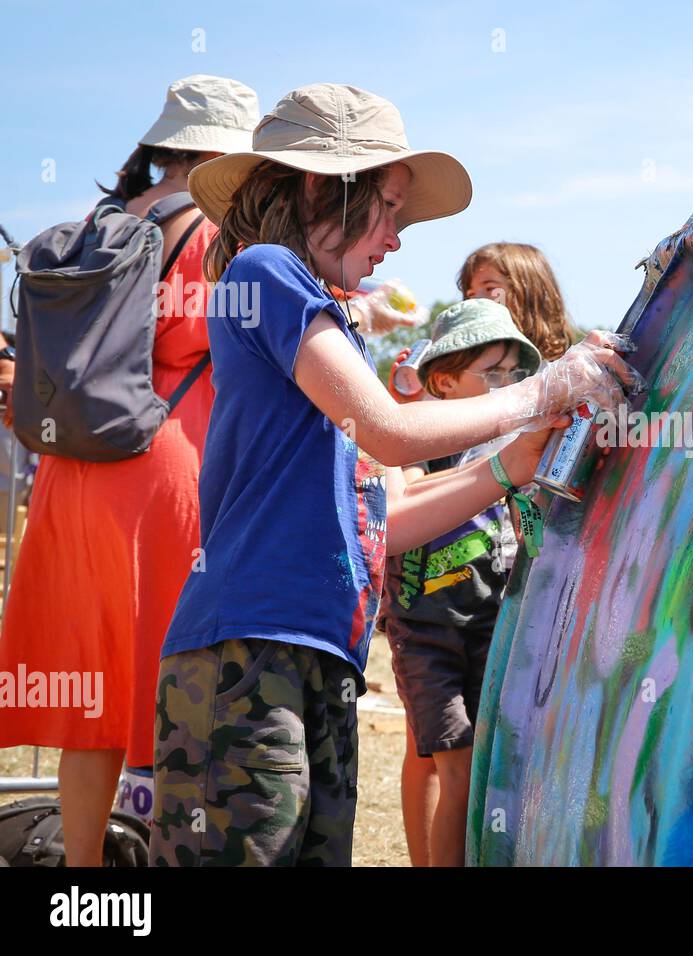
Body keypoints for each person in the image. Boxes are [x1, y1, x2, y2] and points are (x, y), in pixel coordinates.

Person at [150, 83, 640, 867]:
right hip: (248, 651)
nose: (398, 240)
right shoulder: (265, 271)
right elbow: (390, 431)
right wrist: (544, 388)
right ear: (321, 186)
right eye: (389, 209)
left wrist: (508, 470)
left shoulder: (314, 314)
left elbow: (383, 515)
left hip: (313, 654)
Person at [0, 75, 260, 866]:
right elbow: (240, 351)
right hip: (163, 469)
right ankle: (166, 857)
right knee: (175, 680)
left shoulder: (98, 224)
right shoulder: (216, 234)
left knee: (93, 691)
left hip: (71, 473)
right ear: (218, 151)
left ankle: (85, 879)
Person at [380, 298, 540, 866]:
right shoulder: (416, 444)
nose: (507, 386)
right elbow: (400, 491)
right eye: (491, 374)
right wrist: (404, 404)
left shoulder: (509, 447)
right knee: (459, 770)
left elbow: (528, 532)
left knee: (485, 775)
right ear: (444, 382)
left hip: (488, 627)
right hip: (427, 638)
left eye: (514, 375)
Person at [458, 242, 583, 360]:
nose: (476, 300)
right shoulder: (465, 367)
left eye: (490, 288)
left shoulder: (562, 373)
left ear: (529, 293)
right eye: (470, 294)